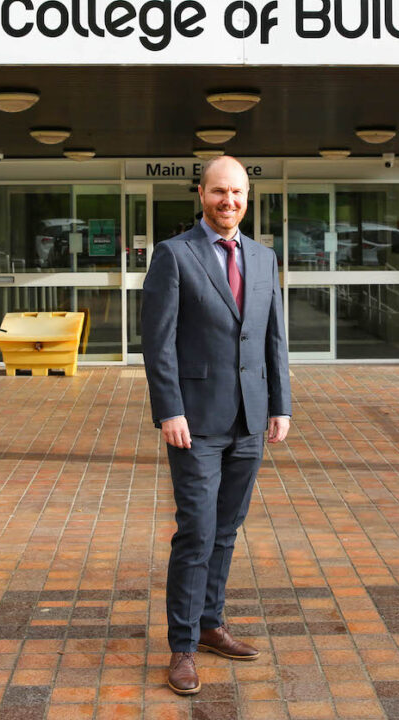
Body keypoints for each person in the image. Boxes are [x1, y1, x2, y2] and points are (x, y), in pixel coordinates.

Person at [141, 155, 292, 695]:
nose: (229, 202)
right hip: (196, 423)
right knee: (197, 532)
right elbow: (158, 343)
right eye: (219, 192)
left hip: (250, 419)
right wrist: (170, 410)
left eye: (238, 194)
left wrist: (281, 404)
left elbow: (273, 338)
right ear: (200, 194)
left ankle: (210, 625)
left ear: (248, 198)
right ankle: (181, 647)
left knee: (226, 531)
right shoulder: (173, 255)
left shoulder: (263, 257)